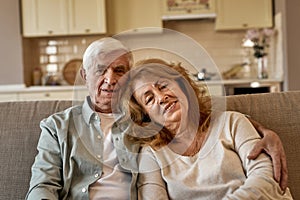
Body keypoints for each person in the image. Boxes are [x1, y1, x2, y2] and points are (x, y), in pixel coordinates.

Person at [26, 37, 288, 200]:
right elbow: (42, 186)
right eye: (100, 71)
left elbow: (214, 123)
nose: (109, 79)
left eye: (119, 70)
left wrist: (265, 131)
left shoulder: (140, 126)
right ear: (84, 76)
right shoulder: (56, 127)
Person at [114, 58, 293, 199]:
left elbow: (264, 176)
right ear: (147, 115)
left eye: (163, 85)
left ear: (182, 85)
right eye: (149, 99)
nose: (161, 97)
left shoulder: (231, 122)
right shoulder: (152, 154)